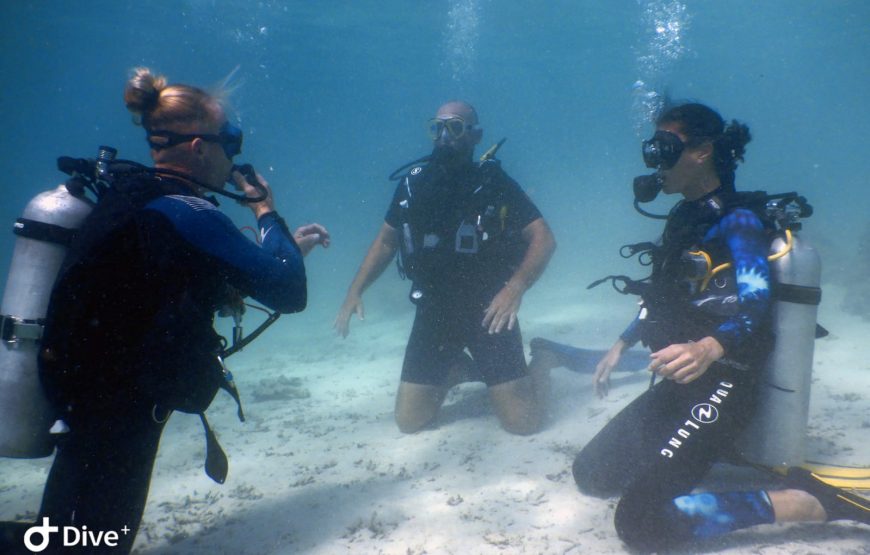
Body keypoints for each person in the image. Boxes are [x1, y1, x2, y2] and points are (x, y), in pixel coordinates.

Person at [0, 67, 329, 554]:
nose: (233, 157)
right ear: (200, 148)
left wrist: (275, 255)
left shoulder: (137, 199)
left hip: (94, 401)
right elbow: (288, 293)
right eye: (229, 143)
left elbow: (185, 281)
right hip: (119, 412)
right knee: (89, 544)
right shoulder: (186, 210)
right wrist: (266, 213)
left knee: (75, 533)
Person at [572, 102, 868, 551]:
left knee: (639, 523)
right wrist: (622, 341)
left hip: (725, 384)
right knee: (591, 475)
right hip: (681, 384)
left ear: (702, 151)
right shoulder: (684, 217)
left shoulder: (739, 221)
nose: (654, 160)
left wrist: (710, 346)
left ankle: (805, 503)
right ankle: (711, 450)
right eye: (653, 147)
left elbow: (755, 303)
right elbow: (664, 295)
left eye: (665, 147)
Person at [334, 101, 555, 435]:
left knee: (523, 424)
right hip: (435, 311)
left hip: (489, 311)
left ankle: (544, 359)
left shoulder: (493, 182)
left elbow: (544, 238)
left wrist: (516, 288)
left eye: (454, 127)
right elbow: (385, 242)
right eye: (436, 127)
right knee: (409, 421)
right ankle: (458, 369)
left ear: (475, 135)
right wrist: (355, 290)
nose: (443, 135)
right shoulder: (412, 183)